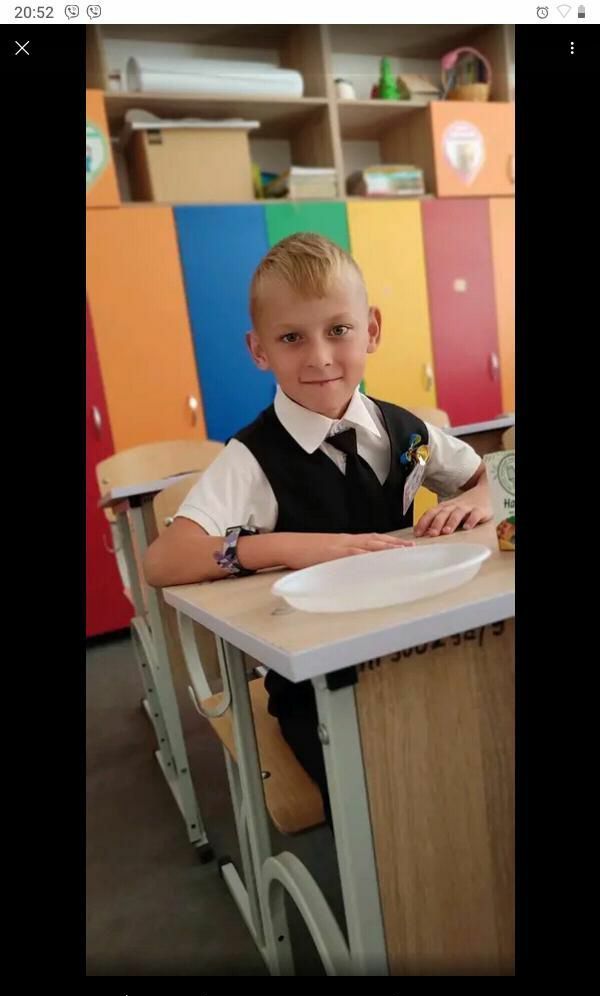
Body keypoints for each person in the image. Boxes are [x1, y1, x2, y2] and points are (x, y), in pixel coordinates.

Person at [144, 233, 491, 826]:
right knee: (384, 800)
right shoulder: (252, 458)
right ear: (259, 350)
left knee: (473, 754)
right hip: (316, 683)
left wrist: (479, 498)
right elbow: (163, 561)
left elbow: (487, 476)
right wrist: (287, 547)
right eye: (291, 338)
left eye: (338, 330)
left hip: (416, 649)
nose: (320, 357)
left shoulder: (405, 430)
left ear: (371, 330)